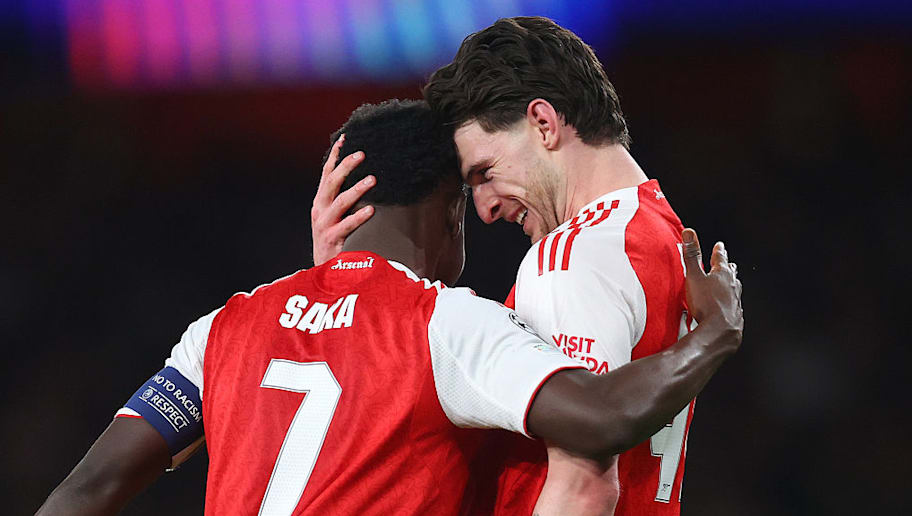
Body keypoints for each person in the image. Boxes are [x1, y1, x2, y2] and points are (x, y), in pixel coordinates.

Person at [39, 100, 742, 516]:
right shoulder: (449, 326)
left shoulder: (224, 328)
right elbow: (601, 419)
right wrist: (712, 335)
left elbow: (89, 488)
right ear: (450, 213)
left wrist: (324, 283)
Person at [311, 16, 738, 516]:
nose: (486, 209)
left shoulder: (571, 257)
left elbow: (584, 486)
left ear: (543, 123)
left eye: (485, 173)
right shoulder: (660, 232)